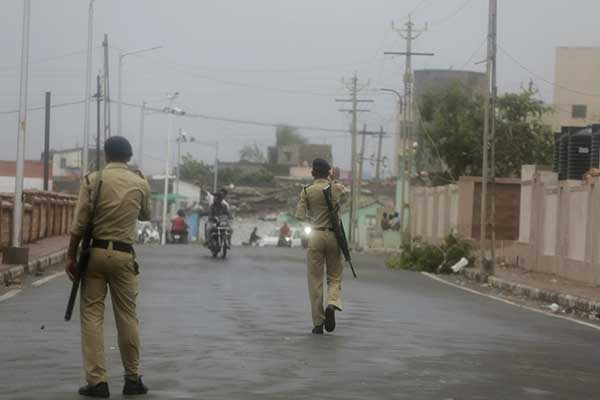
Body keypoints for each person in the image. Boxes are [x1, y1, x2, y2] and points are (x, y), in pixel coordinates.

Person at [66, 136, 151, 398]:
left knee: (92, 316)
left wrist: (71, 255)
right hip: (124, 256)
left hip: (94, 255)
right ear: (129, 156)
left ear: (106, 155)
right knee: (127, 317)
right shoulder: (139, 183)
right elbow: (145, 215)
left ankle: (97, 382)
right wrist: (143, 182)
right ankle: (132, 379)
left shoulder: (93, 180)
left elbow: (80, 224)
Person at [295, 158, 345, 335]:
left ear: (313, 173)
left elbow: (299, 215)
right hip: (333, 235)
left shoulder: (307, 191)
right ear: (329, 173)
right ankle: (332, 303)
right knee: (334, 276)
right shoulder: (336, 188)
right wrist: (334, 180)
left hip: (315, 236)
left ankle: (318, 322)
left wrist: (312, 218)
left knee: (315, 280)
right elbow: (343, 199)